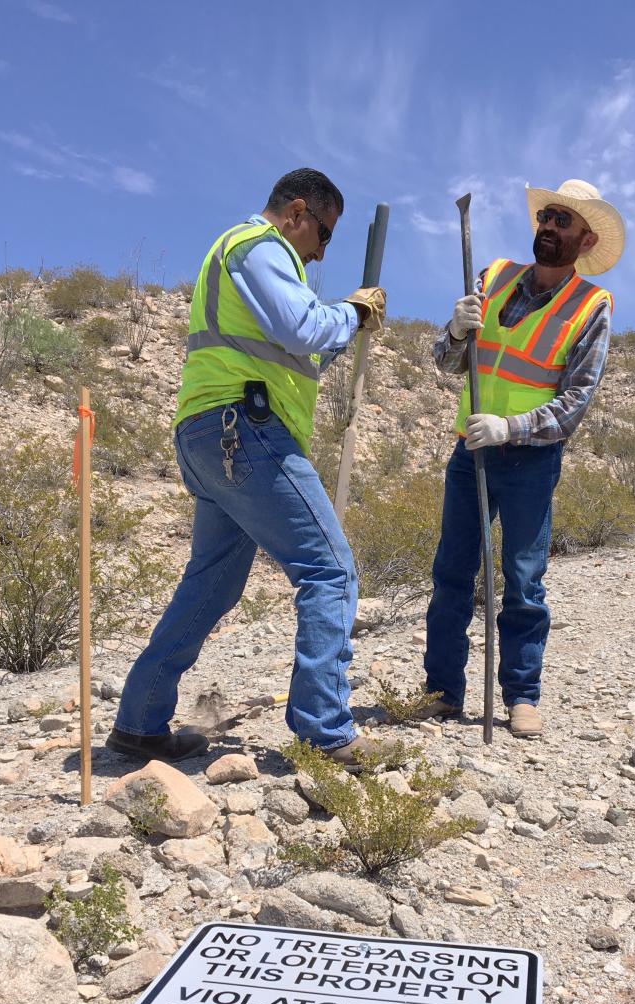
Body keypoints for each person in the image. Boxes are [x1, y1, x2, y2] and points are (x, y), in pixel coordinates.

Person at [107, 168, 385, 767]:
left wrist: (345, 328)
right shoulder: (260, 246)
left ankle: (139, 724)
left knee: (212, 582)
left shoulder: (243, 256)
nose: (321, 251)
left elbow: (295, 348)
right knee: (330, 572)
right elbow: (304, 326)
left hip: (214, 438)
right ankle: (325, 731)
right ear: (298, 211)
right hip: (246, 433)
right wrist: (349, 315)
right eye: (325, 234)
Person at [422, 179, 625, 738]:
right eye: (548, 217)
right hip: (471, 453)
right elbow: (447, 361)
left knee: (524, 580)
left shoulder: (591, 307)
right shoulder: (494, 277)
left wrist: (511, 426)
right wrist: (457, 333)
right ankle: (441, 692)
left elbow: (575, 401)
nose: (550, 228)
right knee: (451, 573)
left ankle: (521, 695)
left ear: (585, 241)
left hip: (530, 460)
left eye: (564, 223)